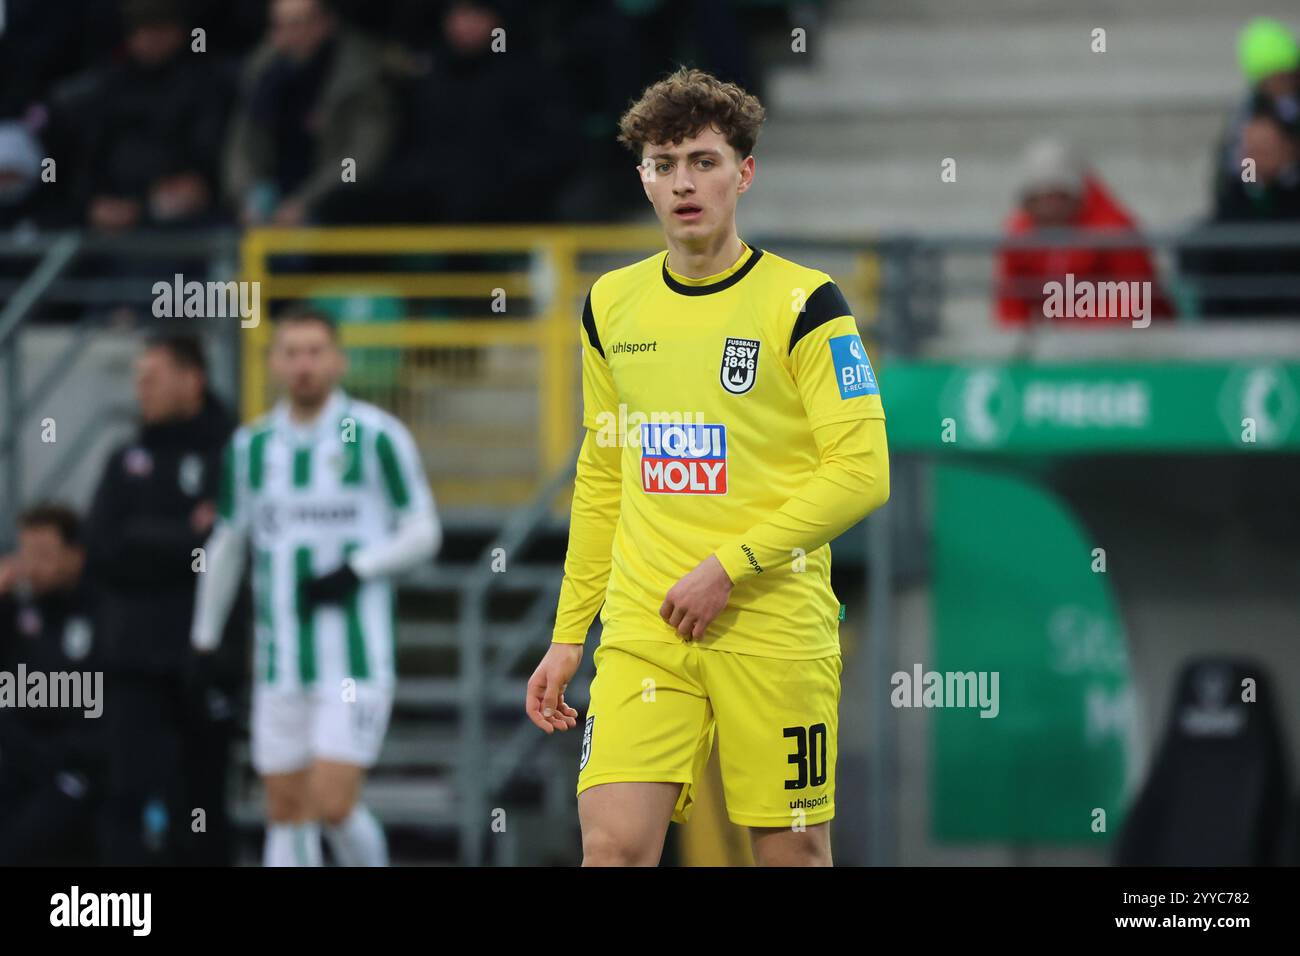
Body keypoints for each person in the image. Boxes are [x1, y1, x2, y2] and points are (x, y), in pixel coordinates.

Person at [525, 67, 890, 867]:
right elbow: (602, 476)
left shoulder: (808, 303)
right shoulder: (608, 306)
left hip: (772, 624)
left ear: (744, 173)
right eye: (664, 165)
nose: (684, 183)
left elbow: (863, 470)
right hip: (645, 627)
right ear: (643, 180)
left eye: (703, 161)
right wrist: (566, 635)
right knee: (612, 849)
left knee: (791, 853)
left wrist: (731, 565)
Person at [191, 307, 441, 867]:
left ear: (338, 360)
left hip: (354, 662)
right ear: (274, 363)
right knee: (284, 807)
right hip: (279, 662)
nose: (303, 364)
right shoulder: (250, 448)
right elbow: (227, 546)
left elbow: (425, 531)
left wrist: (359, 568)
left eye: (314, 351)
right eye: (291, 352)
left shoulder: (377, 437)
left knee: (331, 801)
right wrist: (204, 639)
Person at [85, 335, 243, 865]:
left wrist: (146, 539)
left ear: (192, 379)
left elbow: (232, 544)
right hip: (132, 662)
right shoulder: (127, 455)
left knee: (200, 802)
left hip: (205, 662)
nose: (140, 389)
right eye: (137, 377)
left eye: (151, 377)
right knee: (125, 793)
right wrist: (185, 535)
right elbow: (103, 546)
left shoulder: (235, 453)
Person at [223, 0, 396, 227]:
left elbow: (360, 158)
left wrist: (307, 202)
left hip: (333, 207)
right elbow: (242, 146)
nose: (283, 36)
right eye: (278, 26)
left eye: (295, 25)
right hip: (269, 202)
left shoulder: (359, 75)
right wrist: (248, 198)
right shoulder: (263, 73)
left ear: (324, 24)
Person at [0, 505, 103, 865]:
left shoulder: (101, 617)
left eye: (44, 555)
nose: (32, 566)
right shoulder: (15, 613)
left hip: (71, 772)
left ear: (76, 556)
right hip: (15, 765)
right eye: (25, 554)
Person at [995, 138, 1174, 326]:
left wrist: (1071, 327)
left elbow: (1134, 303)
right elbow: (1012, 308)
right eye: (1039, 199)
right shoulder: (1020, 236)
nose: (1049, 208)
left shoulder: (1114, 231)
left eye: (1057, 196)